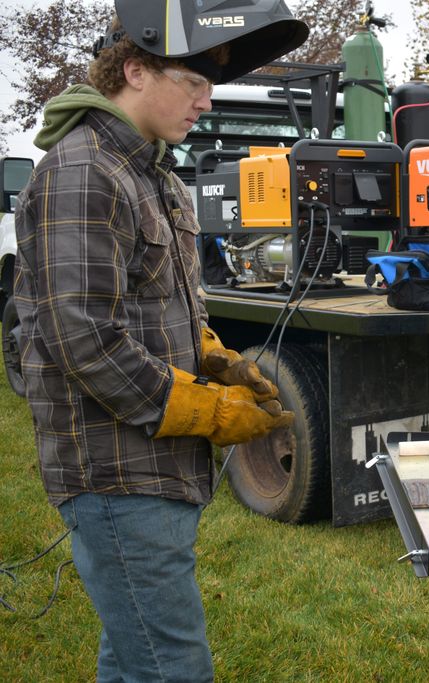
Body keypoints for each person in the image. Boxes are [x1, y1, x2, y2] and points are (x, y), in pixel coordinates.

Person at [12, 1, 307, 680]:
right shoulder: (84, 170)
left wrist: (215, 359)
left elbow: (154, 301)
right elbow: (83, 337)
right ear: (136, 70)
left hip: (155, 471)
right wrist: (209, 409)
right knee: (171, 664)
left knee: (134, 652)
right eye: (193, 82)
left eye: (211, 86)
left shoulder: (154, 175)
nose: (206, 101)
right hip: (117, 474)